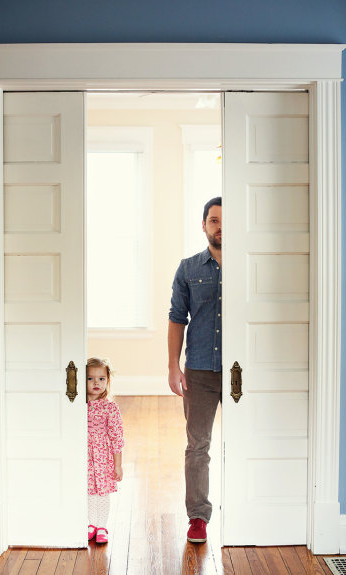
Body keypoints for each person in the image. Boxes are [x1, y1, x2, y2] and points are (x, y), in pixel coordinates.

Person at [167, 196, 222, 544]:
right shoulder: (188, 269)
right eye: (214, 220)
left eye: (226, 220)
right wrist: (173, 366)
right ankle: (197, 517)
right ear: (203, 225)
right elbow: (176, 318)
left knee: (250, 440)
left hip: (240, 372)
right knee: (197, 445)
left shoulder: (249, 264)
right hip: (199, 371)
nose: (221, 227)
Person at [86, 357, 124, 545]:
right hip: (85, 456)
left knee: (101, 492)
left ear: (107, 381)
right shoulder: (79, 405)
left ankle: (101, 525)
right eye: (90, 378)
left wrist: (118, 464)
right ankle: (91, 524)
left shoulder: (110, 407)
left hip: (102, 456)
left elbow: (117, 437)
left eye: (101, 379)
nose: (96, 383)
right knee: (88, 491)